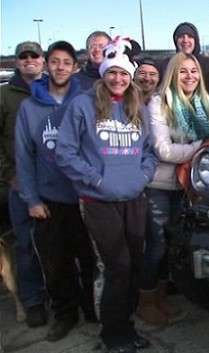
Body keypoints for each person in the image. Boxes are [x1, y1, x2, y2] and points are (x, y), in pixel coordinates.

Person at [55, 36, 157, 353]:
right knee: (116, 268)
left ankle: (126, 328)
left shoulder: (136, 106)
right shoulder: (82, 105)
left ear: (131, 77)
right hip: (98, 201)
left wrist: (142, 177)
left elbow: (150, 153)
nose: (118, 79)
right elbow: (65, 153)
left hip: (133, 198)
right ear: (103, 73)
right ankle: (111, 336)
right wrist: (97, 181)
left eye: (124, 74)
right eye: (112, 72)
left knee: (135, 266)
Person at [14, 41, 97, 341]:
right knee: (56, 262)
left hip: (86, 197)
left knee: (89, 258)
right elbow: (24, 156)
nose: (60, 67)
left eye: (66, 62)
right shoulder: (29, 107)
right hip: (50, 200)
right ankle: (65, 313)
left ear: (75, 68)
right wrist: (32, 199)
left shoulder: (87, 100)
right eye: (54, 61)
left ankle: (91, 307)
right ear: (47, 66)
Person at [138, 52, 209, 325]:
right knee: (156, 244)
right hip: (158, 184)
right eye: (183, 71)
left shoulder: (203, 103)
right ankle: (146, 299)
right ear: (173, 74)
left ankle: (162, 296)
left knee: (172, 244)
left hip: (186, 185)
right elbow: (163, 150)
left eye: (194, 71)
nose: (190, 76)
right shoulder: (160, 102)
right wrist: (202, 147)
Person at [0, 41, 48, 328]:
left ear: (42, 61)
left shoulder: (53, 91)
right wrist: (8, 173)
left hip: (54, 183)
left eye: (35, 56)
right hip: (20, 185)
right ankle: (33, 302)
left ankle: (60, 296)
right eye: (24, 56)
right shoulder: (4, 96)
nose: (30, 60)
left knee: (55, 246)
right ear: (17, 62)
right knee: (27, 246)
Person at [159, 22, 209, 92]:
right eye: (181, 36)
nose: (185, 40)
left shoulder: (208, 64)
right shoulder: (166, 65)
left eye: (190, 36)